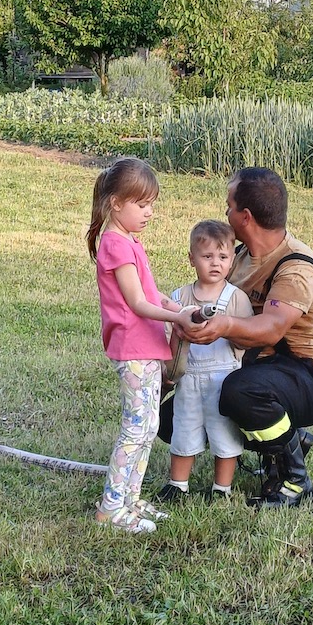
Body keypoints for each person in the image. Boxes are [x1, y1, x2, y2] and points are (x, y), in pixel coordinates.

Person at [181, 167, 313, 508]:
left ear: (245, 216)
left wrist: (224, 326)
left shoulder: (295, 266)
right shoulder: (239, 256)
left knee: (239, 392)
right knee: (177, 416)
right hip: (269, 364)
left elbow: (271, 328)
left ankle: (295, 480)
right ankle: (289, 438)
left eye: (228, 205)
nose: (224, 213)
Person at [88, 157, 201, 534]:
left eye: (152, 203)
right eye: (142, 204)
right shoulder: (115, 244)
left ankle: (130, 502)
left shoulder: (131, 241)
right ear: (116, 203)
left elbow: (150, 294)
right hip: (133, 349)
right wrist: (178, 319)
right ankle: (110, 507)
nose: (149, 212)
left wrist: (178, 307)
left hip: (148, 346)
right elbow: (136, 303)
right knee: (135, 428)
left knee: (149, 425)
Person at [156, 220, 253, 503]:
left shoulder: (236, 298)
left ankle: (221, 488)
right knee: (184, 428)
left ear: (232, 260)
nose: (215, 263)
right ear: (191, 259)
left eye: (222, 257)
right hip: (189, 377)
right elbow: (168, 333)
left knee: (224, 433)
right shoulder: (179, 297)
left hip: (223, 378)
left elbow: (245, 337)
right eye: (207, 256)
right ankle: (178, 484)